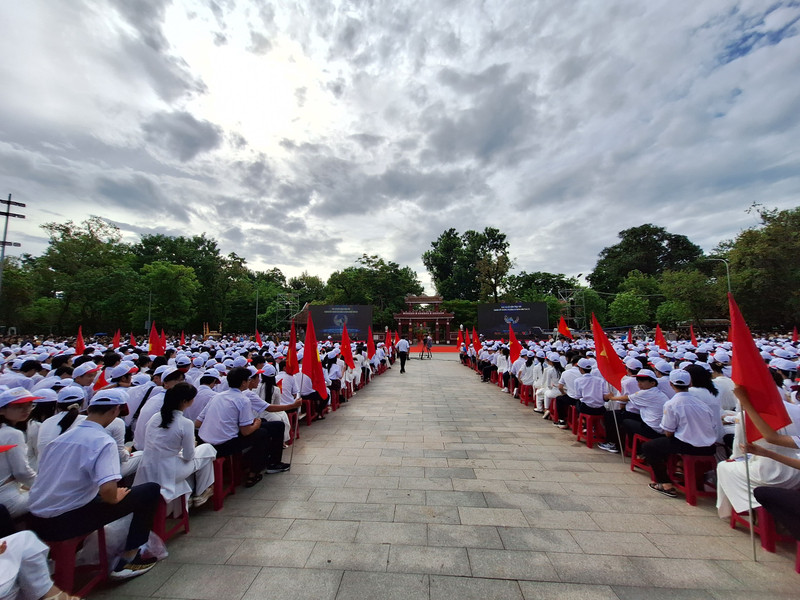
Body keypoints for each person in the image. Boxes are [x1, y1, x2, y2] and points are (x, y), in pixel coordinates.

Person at [28, 389, 161, 580]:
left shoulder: (60, 439)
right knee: (150, 490)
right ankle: (130, 558)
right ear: (115, 411)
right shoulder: (102, 441)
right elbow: (108, 492)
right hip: (65, 520)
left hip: (36, 518)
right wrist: (116, 497)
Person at [196, 367, 291, 488]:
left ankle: (269, 462)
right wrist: (256, 425)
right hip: (224, 444)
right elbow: (246, 432)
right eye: (248, 379)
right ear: (243, 383)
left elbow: (198, 423)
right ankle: (254, 473)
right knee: (262, 433)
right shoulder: (243, 399)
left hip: (205, 441)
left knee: (272, 425)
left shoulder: (217, 396)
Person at [133, 383, 216, 508]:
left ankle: (198, 491)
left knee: (198, 453)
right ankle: (202, 491)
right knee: (207, 449)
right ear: (185, 401)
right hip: (168, 471)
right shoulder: (185, 423)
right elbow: (189, 456)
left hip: (148, 467)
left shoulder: (155, 417)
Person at [642, 369, 718, 498]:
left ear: (671, 384)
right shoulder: (702, 404)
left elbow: (668, 432)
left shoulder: (672, 404)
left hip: (688, 445)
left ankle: (665, 483)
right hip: (710, 447)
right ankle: (682, 471)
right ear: (690, 384)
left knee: (649, 447)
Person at [0, 389, 39, 519]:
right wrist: (43, 485)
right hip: (8, 500)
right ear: (2, 410)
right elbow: (22, 472)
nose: (26, 410)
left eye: (29, 405)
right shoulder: (13, 434)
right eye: (18, 406)